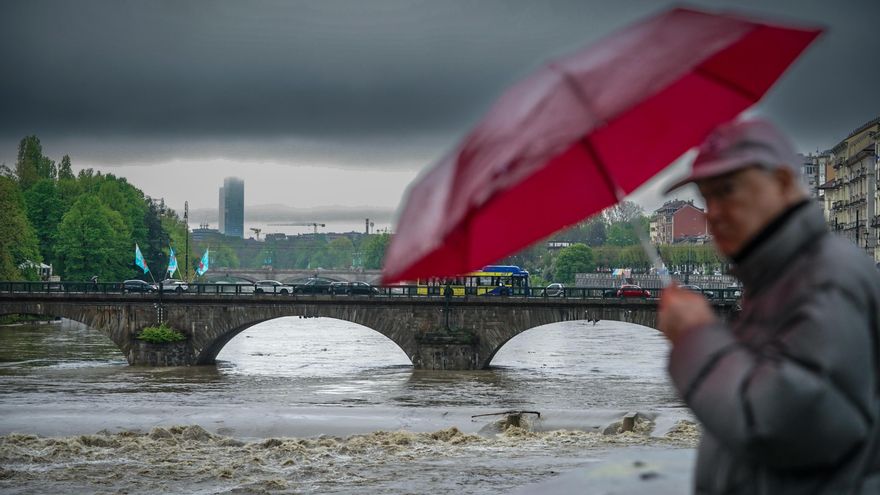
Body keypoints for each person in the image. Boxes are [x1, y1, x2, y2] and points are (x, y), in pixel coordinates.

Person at [659, 118, 880, 494]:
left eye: (727, 190)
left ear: (780, 183)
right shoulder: (781, 279)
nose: (713, 212)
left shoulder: (826, 278)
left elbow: (785, 424)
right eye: (707, 197)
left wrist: (697, 340)